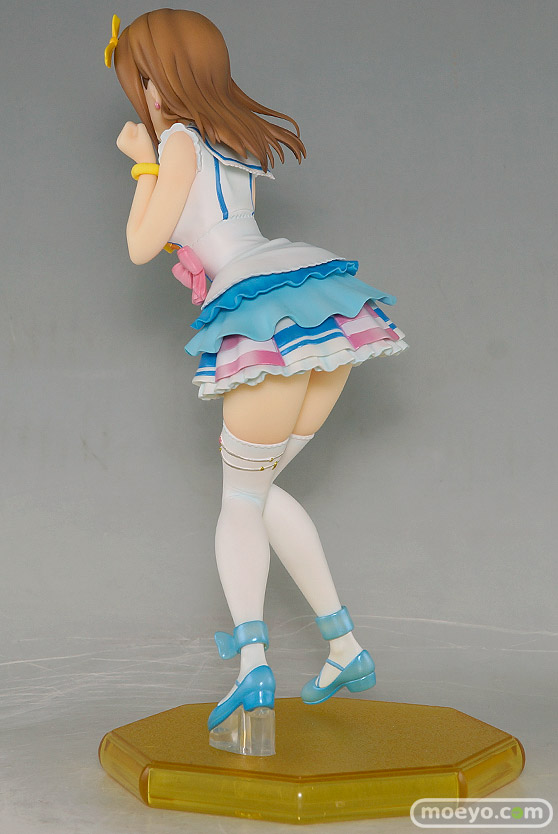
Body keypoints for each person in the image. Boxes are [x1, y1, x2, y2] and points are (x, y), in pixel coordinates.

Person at [105, 9, 408, 741]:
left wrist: (141, 161)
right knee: (261, 491)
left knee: (241, 499)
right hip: (313, 309)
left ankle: (252, 666)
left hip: (262, 315)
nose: (142, 94)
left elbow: (142, 244)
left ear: (163, 81)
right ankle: (345, 648)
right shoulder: (226, 136)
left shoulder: (180, 141)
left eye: (143, 79)